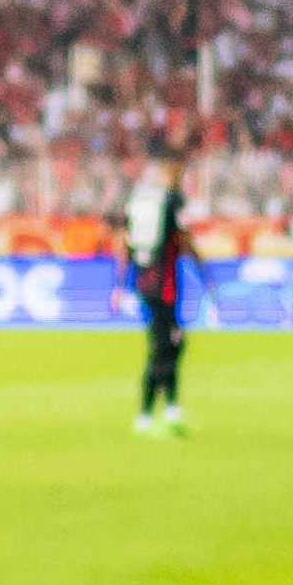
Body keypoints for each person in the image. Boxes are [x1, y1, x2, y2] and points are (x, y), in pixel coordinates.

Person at [125, 161, 195, 434]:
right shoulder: (171, 201)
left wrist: (122, 283)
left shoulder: (141, 201)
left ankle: (167, 410)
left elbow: (126, 240)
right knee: (166, 346)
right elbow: (184, 239)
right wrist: (205, 271)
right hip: (163, 284)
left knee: (166, 344)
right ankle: (153, 413)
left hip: (144, 280)